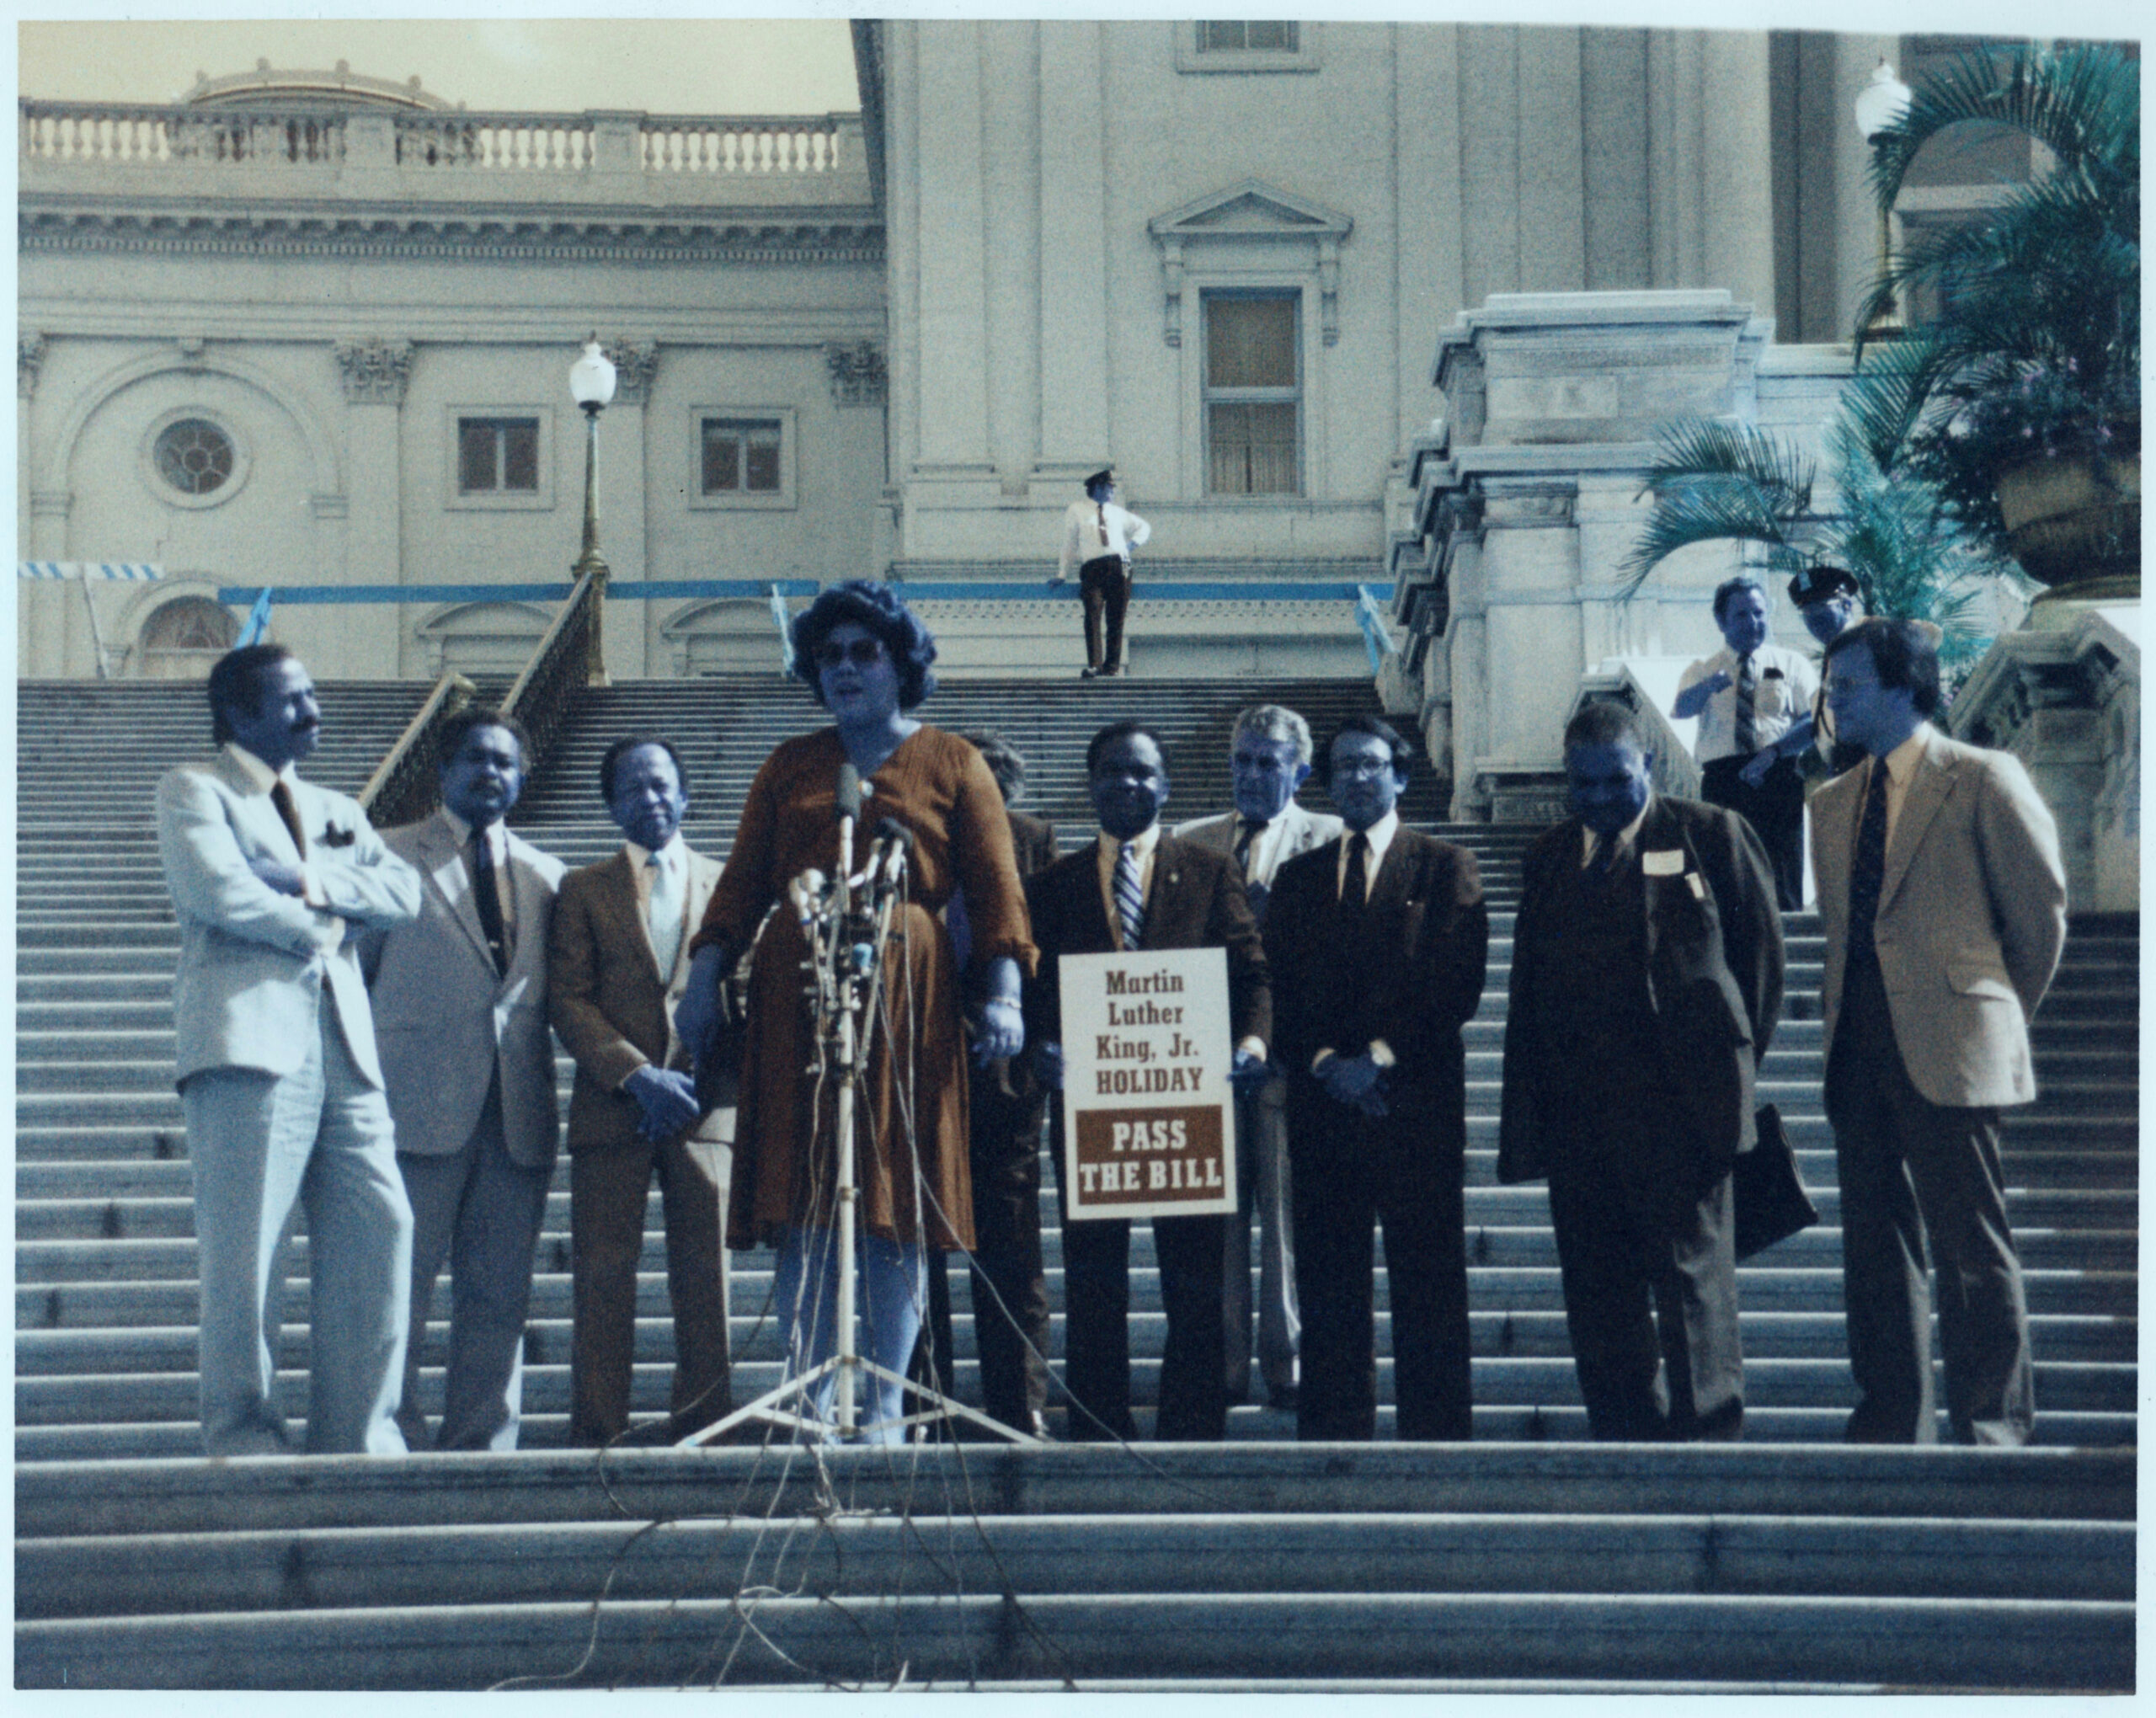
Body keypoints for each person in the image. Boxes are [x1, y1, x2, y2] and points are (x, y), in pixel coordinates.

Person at [675, 582, 1037, 1443]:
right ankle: (809, 1394)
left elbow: (997, 896)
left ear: (900, 664)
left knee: (891, 1199)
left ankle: (880, 1407)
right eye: (830, 656)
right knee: (805, 1192)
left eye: (863, 653)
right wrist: (703, 973)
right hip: (796, 1006)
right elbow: (738, 886)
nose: (844, 669)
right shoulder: (790, 765)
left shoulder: (953, 761)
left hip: (907, 1004)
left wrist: (1007, 993)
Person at [156, 643, 422, 1455]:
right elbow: (219, 890)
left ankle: (358, 1438)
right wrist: (335, 921)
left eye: (314, 694)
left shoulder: (337, 806)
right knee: (247, 1255)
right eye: (294, 700)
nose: (316, 712)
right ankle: (244, 1437)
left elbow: (404, 893)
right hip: (247, 1043)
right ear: (238, 713)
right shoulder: (194, 789)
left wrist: (308, 883)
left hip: (346, 1046)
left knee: (383, 1227)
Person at [1498, 699, 1783, 1441]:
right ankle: (1622, 1440)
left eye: (1614, 781)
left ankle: (1708, 1437)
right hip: (1579, 1120)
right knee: (1598, 1293)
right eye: (1582, 785)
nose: (1597, 799)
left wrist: (1726, 1072)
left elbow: (1761, 970)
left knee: (1692, 1286)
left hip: (1682, 1114)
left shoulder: (1710, 835)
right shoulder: (1550, 856)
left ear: (1647, 764)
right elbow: (1529, 988)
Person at [1812, 618, 2066, 1445]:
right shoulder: (1830, 804)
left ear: (1900, 687)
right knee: (1874, 1255)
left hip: (1950, 1046)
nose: (1830, 702)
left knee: (1971, 1246)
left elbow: (2038, 917)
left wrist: (1986, 1016)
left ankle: (1991, 1423)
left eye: (1846, 686)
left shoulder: (1983, 779)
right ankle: (1890, 1421)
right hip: (1857, 1049)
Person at [1025, 719, 1270, 1441]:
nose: (1127, 784)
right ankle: (1098, 1424)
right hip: (1092, 1106)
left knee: (1194, 1276)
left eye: (1141, 773)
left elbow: (1250, 972)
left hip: (1187, 1101)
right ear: (1090, 783)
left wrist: (1252, 1042)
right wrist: (1041, 1045)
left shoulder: (1208, 870)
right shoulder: (1054, 885)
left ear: (1165, 785)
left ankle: (1191, 1426)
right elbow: (1037, 988)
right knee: (1094, 1273)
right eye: (1112, 772)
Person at [1264, 718, 1488, 1441]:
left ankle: (1438, 1434)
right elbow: (1282, 993)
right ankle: (1335, 1431)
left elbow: (1456, 985)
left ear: (1399, 775)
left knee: (1428, 1280)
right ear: (1326, 785)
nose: (1358, 779)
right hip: (1324, 1108)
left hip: (1413, 1104)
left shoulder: (1444, 866)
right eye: (1343, 768)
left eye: (1371, 765)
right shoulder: (1297, 880)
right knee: (1330, 1283)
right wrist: (1329, 1065)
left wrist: (1380, 1061)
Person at [361, 710, 565, 1452]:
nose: (491, 773)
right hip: (414, 1105)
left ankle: (484, 1440)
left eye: (506, 763)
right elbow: (352, 985)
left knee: (499, 1295)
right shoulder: (388, 856)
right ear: (443, 770)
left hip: (515, 1115)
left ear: (522, 777)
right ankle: (393, 1434)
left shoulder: (548, 876)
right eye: (475, 759)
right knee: (399, 1291)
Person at [550, 737, 731, 1445]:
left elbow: (738, 991)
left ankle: (706, 1425)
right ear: (609, 805)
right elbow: (568, 999)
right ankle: (598, 1429)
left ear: (685, 794)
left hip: (702, 1107)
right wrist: (636, 1073)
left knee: (706, 1277)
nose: (649, 800)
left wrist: (684, 1076)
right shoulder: (582, 889)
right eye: (630, 789)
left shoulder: (726, 882)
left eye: (660, 786)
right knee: (601, 1278)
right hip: (612, 1109)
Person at [1171, 703, 1342, 1411]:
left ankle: (1288, 1360)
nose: (1250, 773)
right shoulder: (1190, 840)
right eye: (1241, 759)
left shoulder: (1331, 839)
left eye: (1267, 761)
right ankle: (1222, 1363)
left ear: (1299, 769)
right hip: (1200, 1064)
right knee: (1213, 1225)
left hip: (1290, 1065)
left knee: (1286, 1222)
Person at [912, 732, 1062, 1438]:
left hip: (1006, 1078)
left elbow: (1055, 951)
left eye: (994, 785)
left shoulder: (1034, 843)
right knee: (916, 1247)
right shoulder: (912, 839)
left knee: (1012, 1251)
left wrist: (1039, 1049)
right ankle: (921, 1400)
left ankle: (1018, 1402)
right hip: (917, 1073)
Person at [1672, 573, 1818, 910]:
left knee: (1782, 872)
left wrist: (1773, 752)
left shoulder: (1791, 664)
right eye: (1741, 615)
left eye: (1759, 613)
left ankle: (1787, 946)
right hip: (1725, 781)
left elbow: (1813, 720)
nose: (1753, 622)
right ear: (1721, 621)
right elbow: (1681, 709)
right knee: (1727, 873)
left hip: (1777, 774)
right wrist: (1709, 685)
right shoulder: (1702, 669)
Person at [1052, 467, 1150, 679]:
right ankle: (1095, 664)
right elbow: (1069, 542)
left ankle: (1112, 666)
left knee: (1116, 617)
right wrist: (1062, 572)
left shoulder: (1117, 512)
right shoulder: (1077, 509)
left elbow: (1144, 527)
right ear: (1097, 488)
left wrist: (1130, 546)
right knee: (1093, 612)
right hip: (1093, 566)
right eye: (1109, 488)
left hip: (1119, 564)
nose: (1112, 492)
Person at [1779, 563, 1870, 788]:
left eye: (1820, 606)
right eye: (1805, 612)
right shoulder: (1835, 656)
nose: (1813, 618)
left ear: (1846, 604)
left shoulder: (1869, 645)